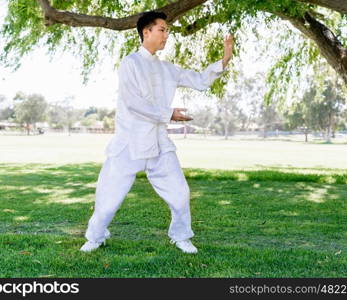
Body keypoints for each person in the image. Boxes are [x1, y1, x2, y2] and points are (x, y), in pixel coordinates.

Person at [80, 11, 234, 254]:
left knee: (180, 194)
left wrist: (225, 58)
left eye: (168, 31)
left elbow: (200, 80)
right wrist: (169, 114)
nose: (166, 35)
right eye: (162, 30)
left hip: (159, 143)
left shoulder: (168, 69)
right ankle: (95, 237)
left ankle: (181, 236)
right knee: (109, 199)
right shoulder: (130, 63)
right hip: (129, 142)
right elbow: (134, 104)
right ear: (146, 32)